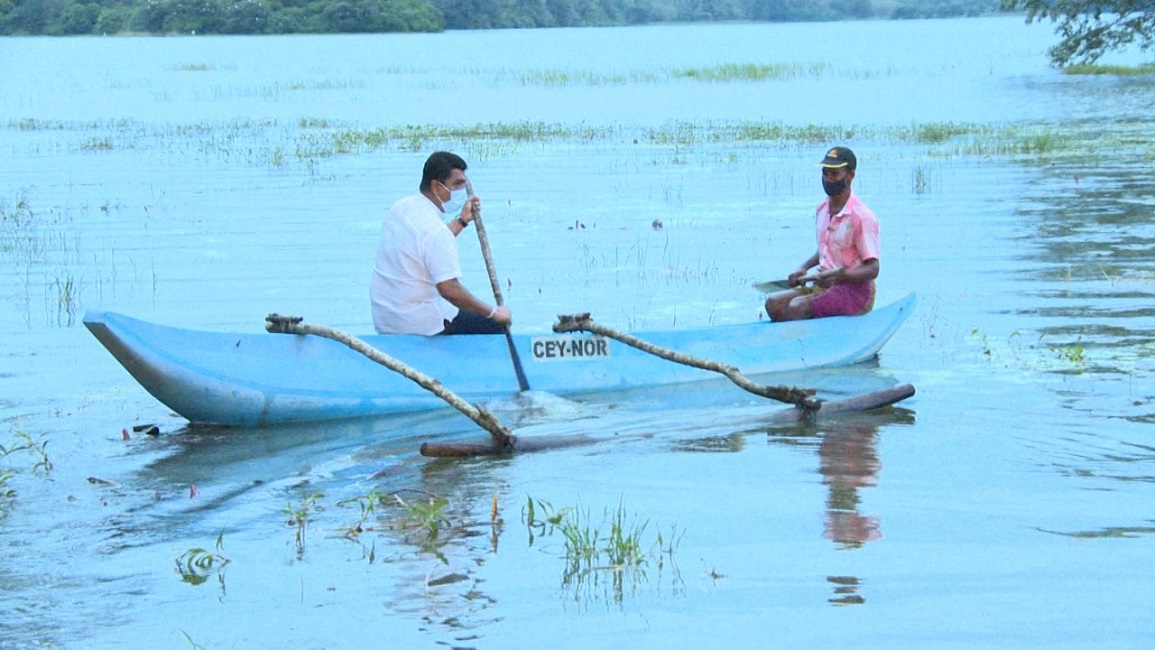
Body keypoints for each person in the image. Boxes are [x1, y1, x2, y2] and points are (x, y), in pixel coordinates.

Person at [370, 151, 512, 335]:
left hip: (386, 320)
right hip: (418, 323)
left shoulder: (401, 207)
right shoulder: (436, 230)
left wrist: (462, 221)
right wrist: (494, 313)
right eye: (457, 184)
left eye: (464, 183)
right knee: (495, 326)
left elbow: (425, 246)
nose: (461, 191)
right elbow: (449, 290)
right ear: (436, 187)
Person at [765, 146, 879, 322]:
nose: (828, 179)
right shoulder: (822, 209)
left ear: (850, 176)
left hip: (855, 292)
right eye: (825, 173)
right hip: (823, 286)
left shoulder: (861, 216)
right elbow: (826, 248)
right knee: (773, 303)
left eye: (835, 174)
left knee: (797, 306)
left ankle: (804, 342)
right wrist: (803, 267)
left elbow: (873, 268)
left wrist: (839, 275)